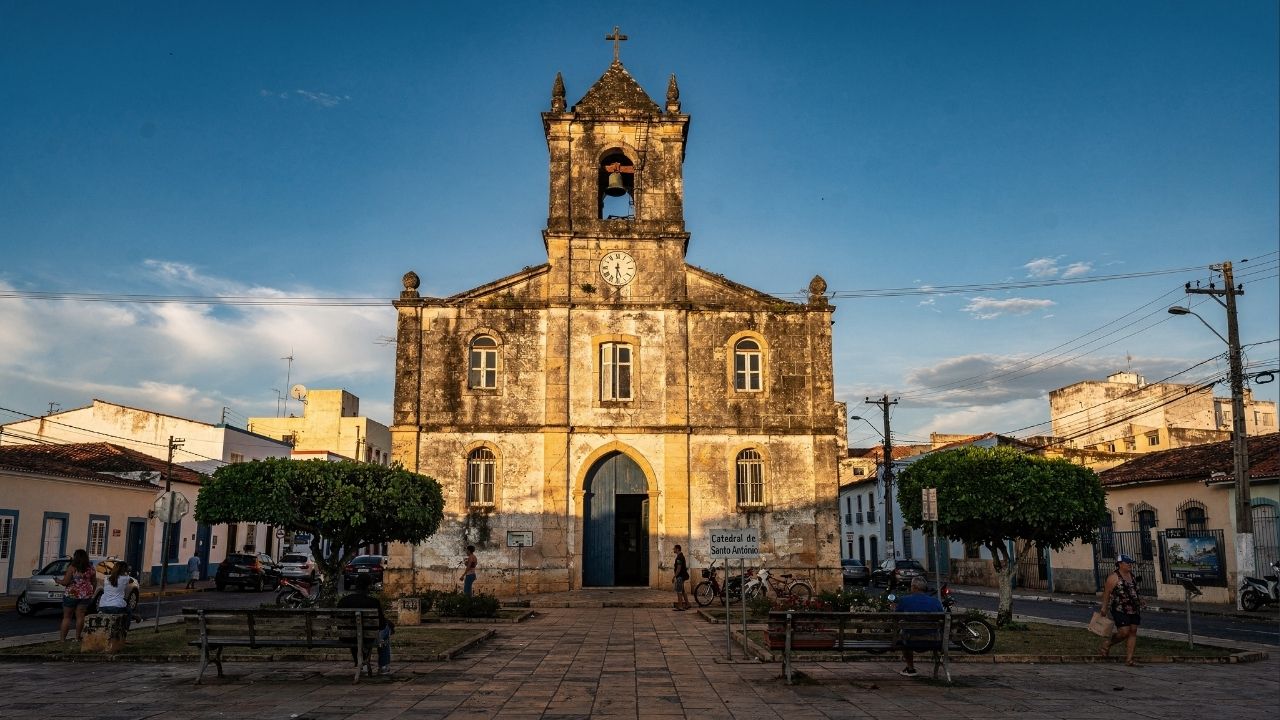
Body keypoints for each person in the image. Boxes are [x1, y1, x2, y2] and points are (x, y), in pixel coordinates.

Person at [337, 574, 394, 674]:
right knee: (386, 629)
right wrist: (389, 625)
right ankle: (383, 666)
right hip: (368, 637)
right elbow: (380, 625)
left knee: (354, 633)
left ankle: (362, 664)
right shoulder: (373, 602)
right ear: (369, 586)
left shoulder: (343, 601)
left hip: (347, 636)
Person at [1099, 553, 1145, 666]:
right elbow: (1106, 593)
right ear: (1120, 564)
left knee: (1133, 631)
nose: (1130, 565)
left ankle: (1129, 659)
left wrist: (1141, 600)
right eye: (1127, 563)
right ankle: (1107, 644)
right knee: (1124, 632)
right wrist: (1104, 607)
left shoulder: (1132, 576)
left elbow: (1135, 590)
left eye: (1131, 563)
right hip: (1120, 608)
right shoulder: (1113, 577)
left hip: (1134, 608)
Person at [894, 575, 944, 677]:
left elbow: (896, 618)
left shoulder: (904, 600)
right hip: (933, 640)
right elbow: (941, 617)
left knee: (903, 633)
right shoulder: (935, 602)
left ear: (914, 587)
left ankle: (911, 668)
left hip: (910, 640)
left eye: (911, 586)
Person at [57, 549, 96, 642]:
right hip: (85, 595)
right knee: (80, 616)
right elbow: (94, 582)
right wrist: (92, 591)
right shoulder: (91, 568)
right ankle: (77, 637)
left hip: (71, 594)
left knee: (67, 617)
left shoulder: (72, 568)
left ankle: (62, 639)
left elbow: (66, 582)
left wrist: (58, 581)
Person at [97, 560, 133, 645]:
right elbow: (131, 580)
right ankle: (124, 636)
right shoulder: (126, 578)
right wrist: (127, 573)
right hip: (117, 606)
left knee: (126, 611)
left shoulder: (106, 578)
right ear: (124, 570)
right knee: (128, 612)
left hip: (103, 605)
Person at [672, 544, 690, 611]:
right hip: (682, 576)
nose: (673, 550)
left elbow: (678, 568)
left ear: (677, 549)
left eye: (674, 548)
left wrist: (674, 576)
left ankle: (680, 606)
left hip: (680, 576)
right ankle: (688, 604)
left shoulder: (679, 557)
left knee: (679, 591)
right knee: (682, 591)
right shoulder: (681, 556)